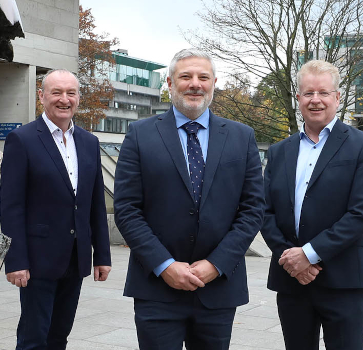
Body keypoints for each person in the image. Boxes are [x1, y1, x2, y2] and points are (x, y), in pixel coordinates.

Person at [113, 48, 264, 349]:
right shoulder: (139, 135)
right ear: (169, 83)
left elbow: (252, 209)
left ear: (214, 84)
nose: (195, 83)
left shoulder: (241, 137)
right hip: (156, 287)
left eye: (203, 77)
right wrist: (165, 265)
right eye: (185, 76)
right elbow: (127, 209)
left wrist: (216, 264)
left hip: (218, 288)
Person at [261, 60, 363, 350]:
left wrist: (309, 255)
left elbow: (360, 214)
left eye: (324, 93)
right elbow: (264, 212)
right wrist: (292, 260)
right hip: (291, 280)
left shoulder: (362, 145)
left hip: (342, 279)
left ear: (337, 98)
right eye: (308, 93)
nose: (316, 100)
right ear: (298, 98)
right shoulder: (278, 152)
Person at [1, 69, 111, 349]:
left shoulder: (89, 142)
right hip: (37, 261)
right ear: (41, 97)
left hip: (75, 258)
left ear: (78, 97)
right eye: (56, 92)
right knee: (33, 337)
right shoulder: (22, 140)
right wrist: (15, 260)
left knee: (59, 335)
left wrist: (102, 255)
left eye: (71, 93)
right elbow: (11, 205)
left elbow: (95, 202)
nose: (64, 99)